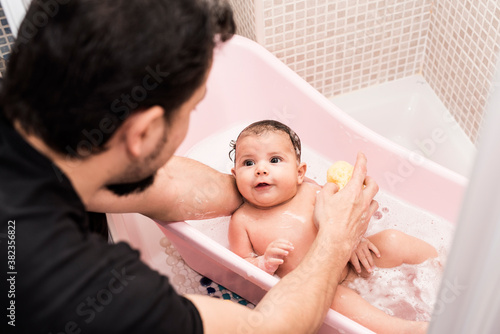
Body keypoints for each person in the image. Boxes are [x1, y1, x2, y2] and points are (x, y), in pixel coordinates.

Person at [0, 1, 378, 333]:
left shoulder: (39, 135)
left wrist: (268, 193)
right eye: (191, 109)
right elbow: (264, 329)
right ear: (144, 132)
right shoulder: (91, 291)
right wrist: (334, 241)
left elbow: (162, 183)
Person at [228, 120, 437, 334]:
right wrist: (263, 263)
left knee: (393, 240)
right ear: (235, 175)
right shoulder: (243, 221)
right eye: (248, 163)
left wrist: (356, 239)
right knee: (339, 300)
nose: (261, 169)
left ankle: (442, 266)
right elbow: (240, 265)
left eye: (274, 160)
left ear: (300, 172)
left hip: (353, 261)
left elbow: (346, 217)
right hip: (321, 288)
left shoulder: (312, 191)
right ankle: (406, 330)